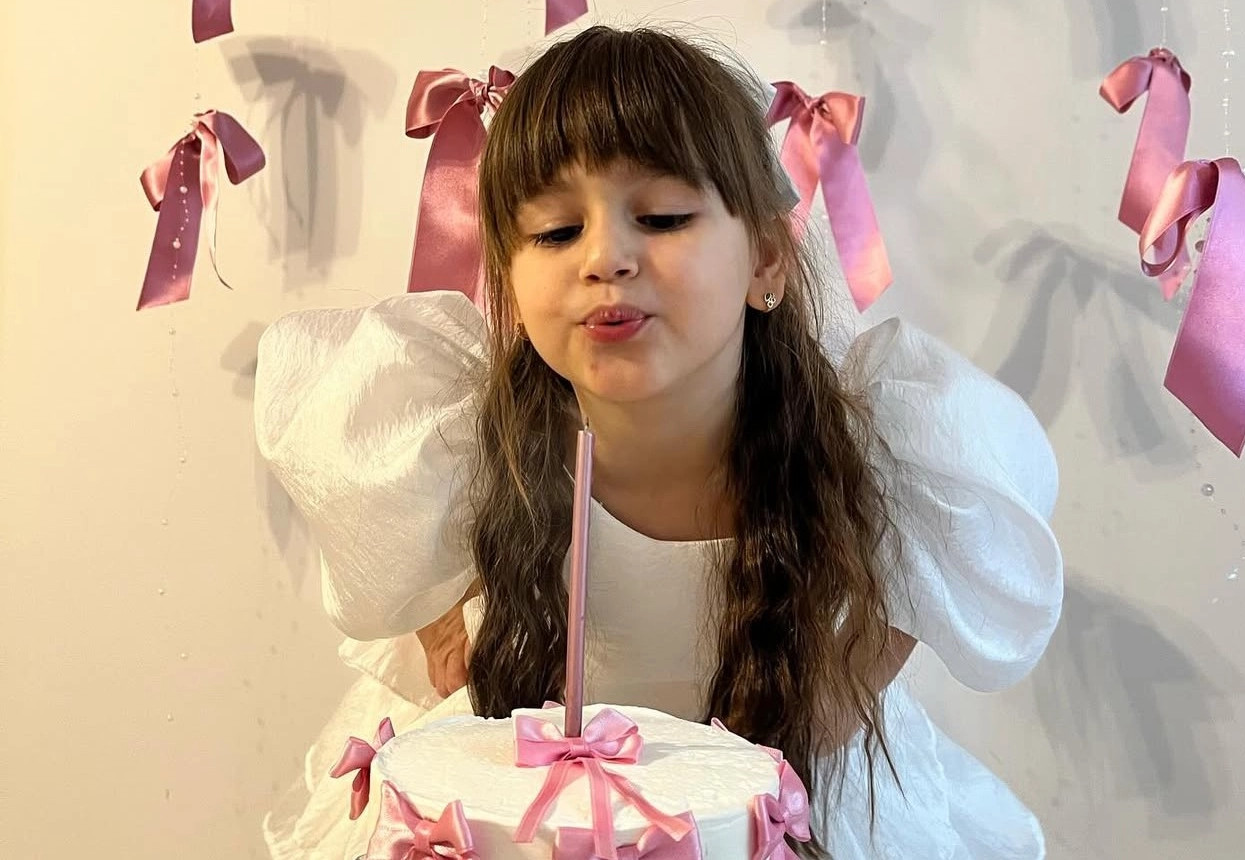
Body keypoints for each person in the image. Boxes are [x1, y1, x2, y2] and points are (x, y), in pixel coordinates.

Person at [255, 25, 1063, 860]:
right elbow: (356, 493)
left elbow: (933, 577)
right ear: (507, 278)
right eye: (556, 231)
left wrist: (829, 700)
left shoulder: (872, 444)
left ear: (767, 260)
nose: (606, 258)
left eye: (664, 217)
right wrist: (438, 625)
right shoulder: (456, 437)